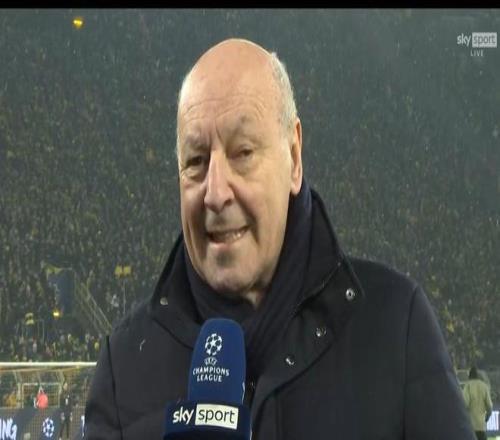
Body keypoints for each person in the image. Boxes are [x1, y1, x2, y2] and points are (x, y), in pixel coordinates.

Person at [84, 38, 476, 439]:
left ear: (294, 157)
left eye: (242, 152)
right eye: (196, 161)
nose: (215, 193)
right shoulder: (125, 367)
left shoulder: (395, 326)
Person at [463, 366, 493, 440]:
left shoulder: (468, 386)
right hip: (481, 426)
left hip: (471, 427)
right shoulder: (484, 386)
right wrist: (487, 418)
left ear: (469, 376)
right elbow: (489, 406)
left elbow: (465, 403)